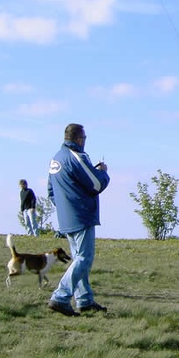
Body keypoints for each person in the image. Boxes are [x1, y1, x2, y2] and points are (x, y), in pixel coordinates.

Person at [46, 123, 110, 316]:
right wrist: (103, 172)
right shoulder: (77, 156)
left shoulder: (56, 159)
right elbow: (96, 183)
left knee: (77, 259)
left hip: (66, 217)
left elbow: (51, 191)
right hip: (81, 214)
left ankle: (84, 300)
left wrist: (65, 207)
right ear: (79, 139)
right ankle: (60, 297)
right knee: (84, 258)